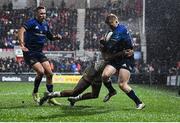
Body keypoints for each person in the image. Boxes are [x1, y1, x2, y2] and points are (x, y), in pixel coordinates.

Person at [39, 38, 133, 106]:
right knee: (74, 92)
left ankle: (74, 100)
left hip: (98, 74)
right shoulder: (111, 50)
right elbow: (106, 57)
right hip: (93, 71)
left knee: (94, 95)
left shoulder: (119, 55)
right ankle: (50, 95)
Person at [18, 6, 62, 105]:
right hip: (29, 52)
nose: (43, 15)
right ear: (36, 14)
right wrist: (21, 44)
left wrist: (56, 37)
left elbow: (50, 37)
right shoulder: (31, 22)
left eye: (44, 13)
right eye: (41, 13)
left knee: (50, 74)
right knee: (41, 71)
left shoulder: (46, 25)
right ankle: (35, 92)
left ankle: (50, 97)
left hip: (39, 52)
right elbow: (21, 30)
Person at [101, 13, 145, 110]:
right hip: (117, 57)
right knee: (104, 75)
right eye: (109, 25)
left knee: (122, 84)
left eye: (111, 25)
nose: (110, 27)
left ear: (116, 22)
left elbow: (108, 46)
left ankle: (139, 103)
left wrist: (103, 42)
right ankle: (112, 91)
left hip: (126, 59)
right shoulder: (113, 31)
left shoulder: (120, 30)